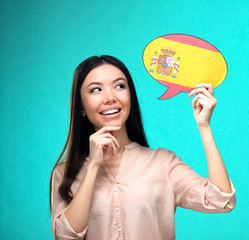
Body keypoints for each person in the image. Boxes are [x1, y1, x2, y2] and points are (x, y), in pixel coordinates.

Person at [50, 55, 236, 239]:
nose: (110, 97)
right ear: (81, 106)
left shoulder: (163, 163)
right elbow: (65, 236)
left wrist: (204, 126)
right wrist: (92, 168)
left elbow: (221, 200)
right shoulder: (63, 173)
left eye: (119, 86)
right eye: (96, 89)